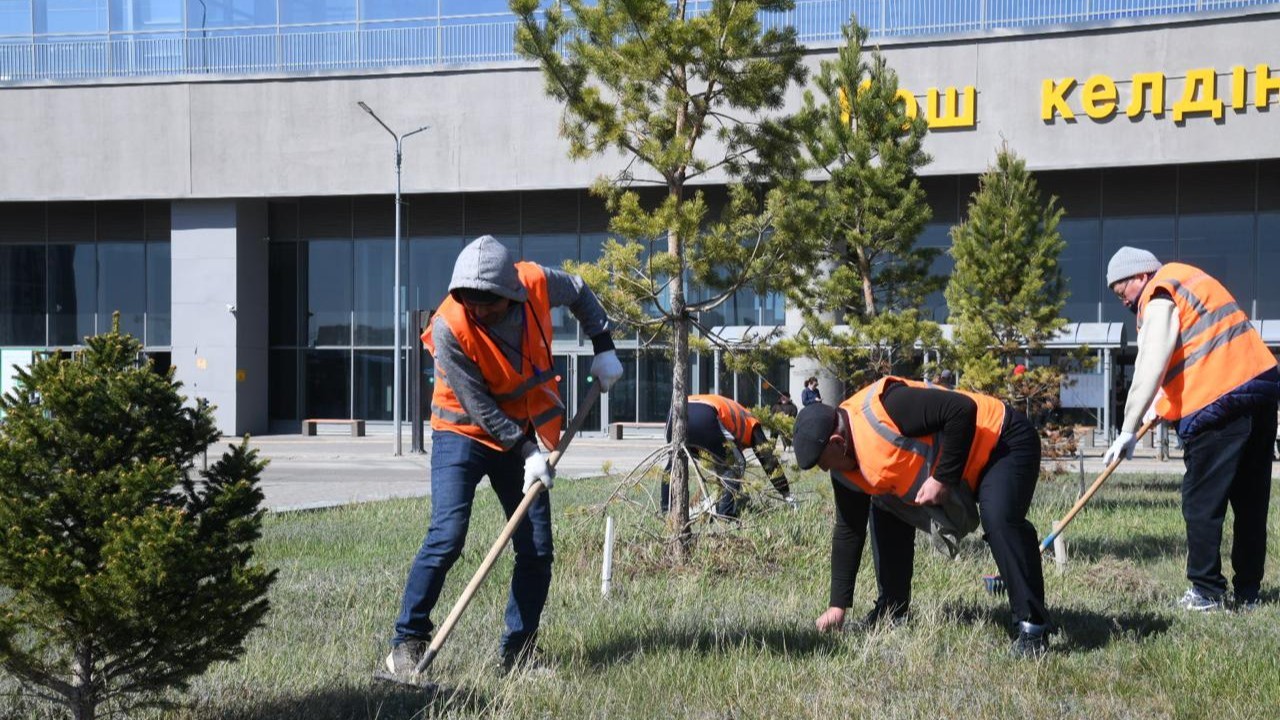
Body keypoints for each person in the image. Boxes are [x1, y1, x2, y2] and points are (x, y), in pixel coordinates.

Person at [384, 235, 624, 678]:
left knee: (536, 548)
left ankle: (519, 653)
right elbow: (480, 405)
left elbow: (579, 290)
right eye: (470, 304)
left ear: (508, 293)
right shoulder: (448, 326)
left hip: (521, 430)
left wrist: (603, 344)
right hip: (463, 430)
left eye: (488, 305)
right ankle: (408, 642)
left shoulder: (534, 283)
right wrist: (530, 451)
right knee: (447, 535)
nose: (479, 313)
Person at [791, 376, 1053, 657]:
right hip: (965, 469)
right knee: (884, 504)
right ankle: (892, 611)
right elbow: (848, 529)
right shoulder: (845, 468)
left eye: (821, 461)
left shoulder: (887, 408)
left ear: (836, 442)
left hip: (1003, 441)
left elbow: (961, 409)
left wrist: (942, 478)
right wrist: (837, 606)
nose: (823, 469)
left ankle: (1033, 628)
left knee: (1000, 519)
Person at [1103, 247, 1278, 612]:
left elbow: (1151, 362)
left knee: (1200, 502)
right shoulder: (1191, 281)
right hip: (1259, 391)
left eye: (1123, 293)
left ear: (1140, 277)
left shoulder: (1160, 293)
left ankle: (1206, 591)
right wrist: (1153, 412)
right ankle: (1248, 592)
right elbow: (1190, 355)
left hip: (1219, 402)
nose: (1124, 303)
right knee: (1250, 502)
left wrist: (1126, 427)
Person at [662, 394, 796, 518]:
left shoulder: (733, 413)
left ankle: (666, 510)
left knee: (674, 464)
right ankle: (725, 515)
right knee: (735, 465)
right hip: (705, 415)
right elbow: (768, 458)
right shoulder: (752, 423)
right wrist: (785, 492)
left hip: (675, 412)